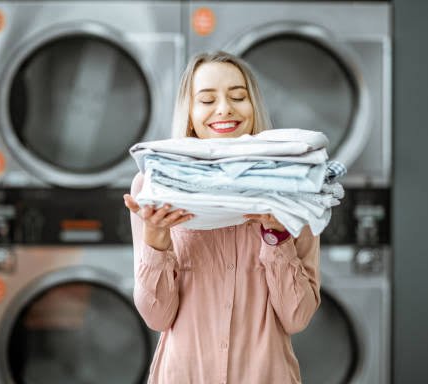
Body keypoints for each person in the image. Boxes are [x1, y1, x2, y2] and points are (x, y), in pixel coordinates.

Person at [123, 51, 320, 384]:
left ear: (253, 106)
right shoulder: (156, 187)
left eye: (238, 96)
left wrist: (277, 236)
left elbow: (296, 317)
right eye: (207, 99)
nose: (225, 108)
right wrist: (156, 242)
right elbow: (157, 317)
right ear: (189, 114)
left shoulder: (293, 185)